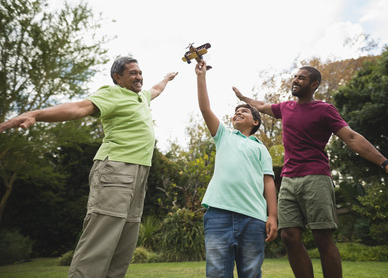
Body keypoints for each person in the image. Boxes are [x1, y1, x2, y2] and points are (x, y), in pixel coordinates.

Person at [232, 66, 388, 278]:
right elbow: (261, 105)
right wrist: (244, 97)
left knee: (322, 237)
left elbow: (351, 137)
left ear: (314, 85)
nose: (296, 80)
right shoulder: (285, 107)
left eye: (302, 78)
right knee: (288, 236)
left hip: (316, 176)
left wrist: (386, 163)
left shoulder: (325, 110)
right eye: (295, 77)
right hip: (289, 178)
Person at [0, 56, 178, 278]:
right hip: (117, 170)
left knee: (125, 242)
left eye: (140, 72)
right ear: (118, 78)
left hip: (140, 173)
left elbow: (156, 90)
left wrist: (167, 78)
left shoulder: (141, 97)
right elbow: (78, 108)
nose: (138, 76)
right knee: (100, 240)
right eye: (133, 73)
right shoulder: (112, 93)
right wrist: (36, 114)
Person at [195, 61, 278, 278]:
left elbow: (268, 182)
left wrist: (273, 216)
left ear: (256, 121)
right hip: (218, 214)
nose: (238, 113)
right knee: (217, 272)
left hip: (253, 217)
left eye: (244, 111)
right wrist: (201, 77)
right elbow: (205, 109)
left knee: (250, 272)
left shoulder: (261, 149)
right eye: (235, 112)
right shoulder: (223, 136)